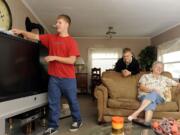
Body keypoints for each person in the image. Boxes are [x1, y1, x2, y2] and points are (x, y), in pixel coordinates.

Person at [12, 14, 82, 135]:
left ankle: (78, 120)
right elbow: (35, 36)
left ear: (67, 24)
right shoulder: (51, 38)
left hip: (68, 78)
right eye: (57, 22)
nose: (57, 25)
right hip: (54, 78)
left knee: (72, 101)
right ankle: (53, 126)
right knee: (53, 103)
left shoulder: (71, 42)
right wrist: (21, 31)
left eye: (59, 22)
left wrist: (54, 57)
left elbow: (72, 60)